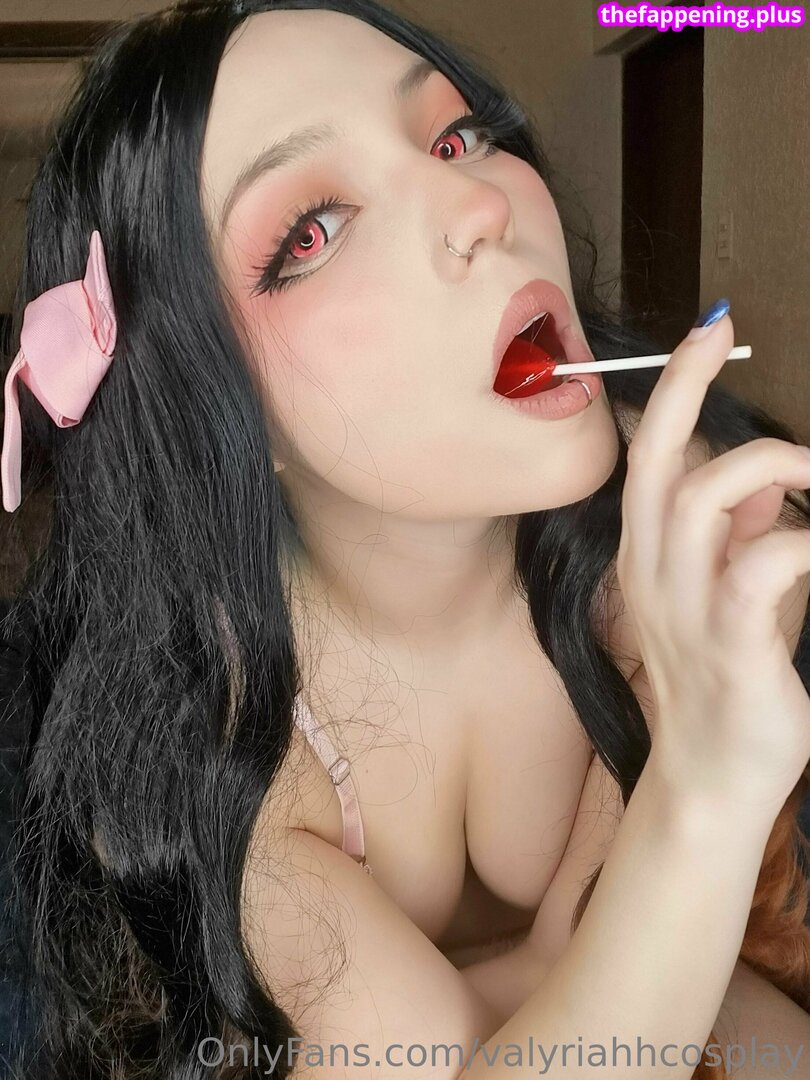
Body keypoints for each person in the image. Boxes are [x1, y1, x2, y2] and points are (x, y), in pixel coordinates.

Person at [2, 2, 809, 1077]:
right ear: (210, 412)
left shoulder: (683, 520)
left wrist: (688, 799)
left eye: (456, 137)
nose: (480, 204)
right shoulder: (225, 734)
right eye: (310, 232)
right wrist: (696, 792)